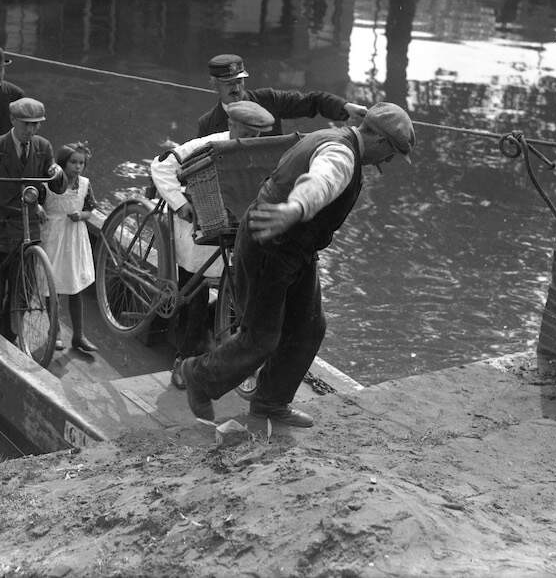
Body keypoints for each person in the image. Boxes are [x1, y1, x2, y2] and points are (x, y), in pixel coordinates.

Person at [180, 102, 416, 427]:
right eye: (392, 153)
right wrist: (295, 208)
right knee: (261, 338)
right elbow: (322, 181)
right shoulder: (342, 155)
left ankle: (270, 403)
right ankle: (198, 376)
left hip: (297, 247)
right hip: (272, 242)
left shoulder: (332, 137)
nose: (388, 161)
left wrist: (295, 215)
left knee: (309, 328)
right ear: (380, 141)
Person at [151, 101, 275, 390]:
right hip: (197, 229)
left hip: (232, 228)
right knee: (193, 294)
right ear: (231, 125)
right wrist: (180, 204)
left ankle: (228, 353)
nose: (253, 140)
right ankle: (183, 362)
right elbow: (161, 166)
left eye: (258, 134)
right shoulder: (204, 146)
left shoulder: (255, 150)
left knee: (239, 288)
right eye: (248, 132)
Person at [0, 98, 67, 343]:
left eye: (36, 125)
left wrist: (57, 173)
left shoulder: (43, 147)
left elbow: (58, 188)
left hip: (27, 227)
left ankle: (12, 336)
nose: (31, 130)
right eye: (26, 124)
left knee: (24, 288)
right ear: (13, 121)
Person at [196, 54, 367, 139]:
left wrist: (346, 107)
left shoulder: (269, 99)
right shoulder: (207, 123)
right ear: (214, 85)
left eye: (239, 81)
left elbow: (313, 101)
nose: (236, 87)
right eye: (228, 82)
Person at [41, 142, 100, 356]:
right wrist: (39, 208)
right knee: (51, 284)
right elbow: (37, 202)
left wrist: (81, 215)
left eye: (81, 163)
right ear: (63, 163)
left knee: (75, 285)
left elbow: (90, 209)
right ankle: (54, 330)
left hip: (75, 237)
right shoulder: (49, 183)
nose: (77, 167)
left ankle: (79, 334)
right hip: (53, 235)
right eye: (73, 162)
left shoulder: (84, 184)